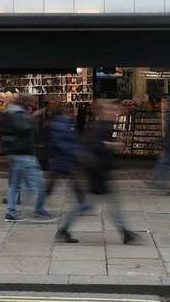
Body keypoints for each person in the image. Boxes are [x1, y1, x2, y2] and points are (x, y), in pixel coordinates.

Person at [57, 99, 138, 244]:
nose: (115, 113)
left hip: (98, 172)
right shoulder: (102, 126)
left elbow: (95, 146)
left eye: (115, 110)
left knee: (100, 204)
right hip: (96, 173)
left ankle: (125, 233)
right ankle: (63, 230)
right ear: (103, 112)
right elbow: (94, 146)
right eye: (112, 110)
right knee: (90, 205)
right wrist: (113, 145)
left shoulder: (104, 125)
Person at [0, 94, 50, 222]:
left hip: (14, 154)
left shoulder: (11, 112)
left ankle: (11, 212)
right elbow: (23, 127)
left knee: (14, 185)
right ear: (26, 104)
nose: (32, 106)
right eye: (31, 104)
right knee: (39, 185)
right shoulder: (19, 114)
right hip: (25, 155)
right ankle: (39, 209)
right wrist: (34, 116)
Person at [45, 104, 87, 210]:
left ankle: (41, 201)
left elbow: (57, 142)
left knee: (53, 182)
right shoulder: (67, 123)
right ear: (63, 113)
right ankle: (82, 202)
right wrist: (75, 150)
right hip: (65, 158)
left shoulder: (54, 124)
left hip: (58, 158)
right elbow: (69, 140)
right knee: (74, 181)